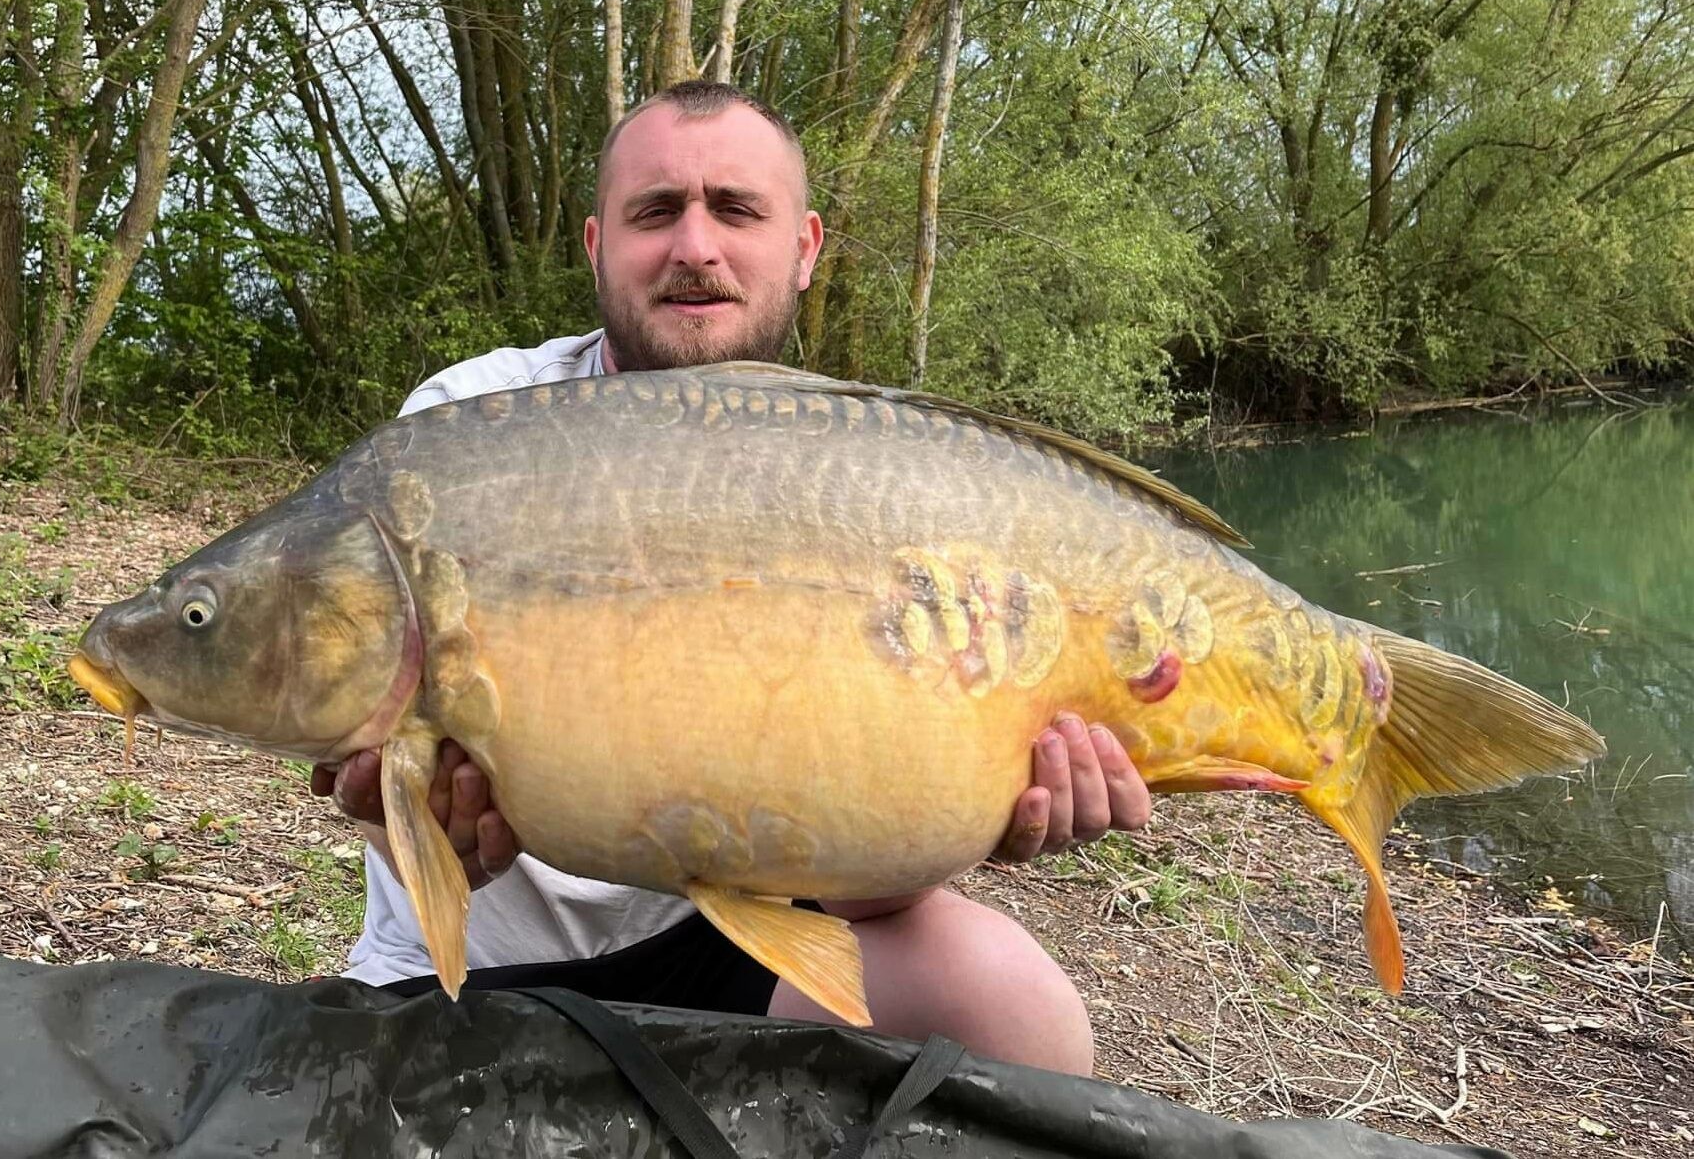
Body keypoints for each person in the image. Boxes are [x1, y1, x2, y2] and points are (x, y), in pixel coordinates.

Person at [312, 81, 1151, 1078]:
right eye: (656, 211)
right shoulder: (465, 427)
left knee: (1003, 999)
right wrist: (394, 809)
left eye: (736, 210)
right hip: (473, 970)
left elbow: (859, 897)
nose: (694, 247)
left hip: (737, 949)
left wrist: (978, 802)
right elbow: (366, 764)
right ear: (596, 245)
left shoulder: (879, 476)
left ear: (803, 248)